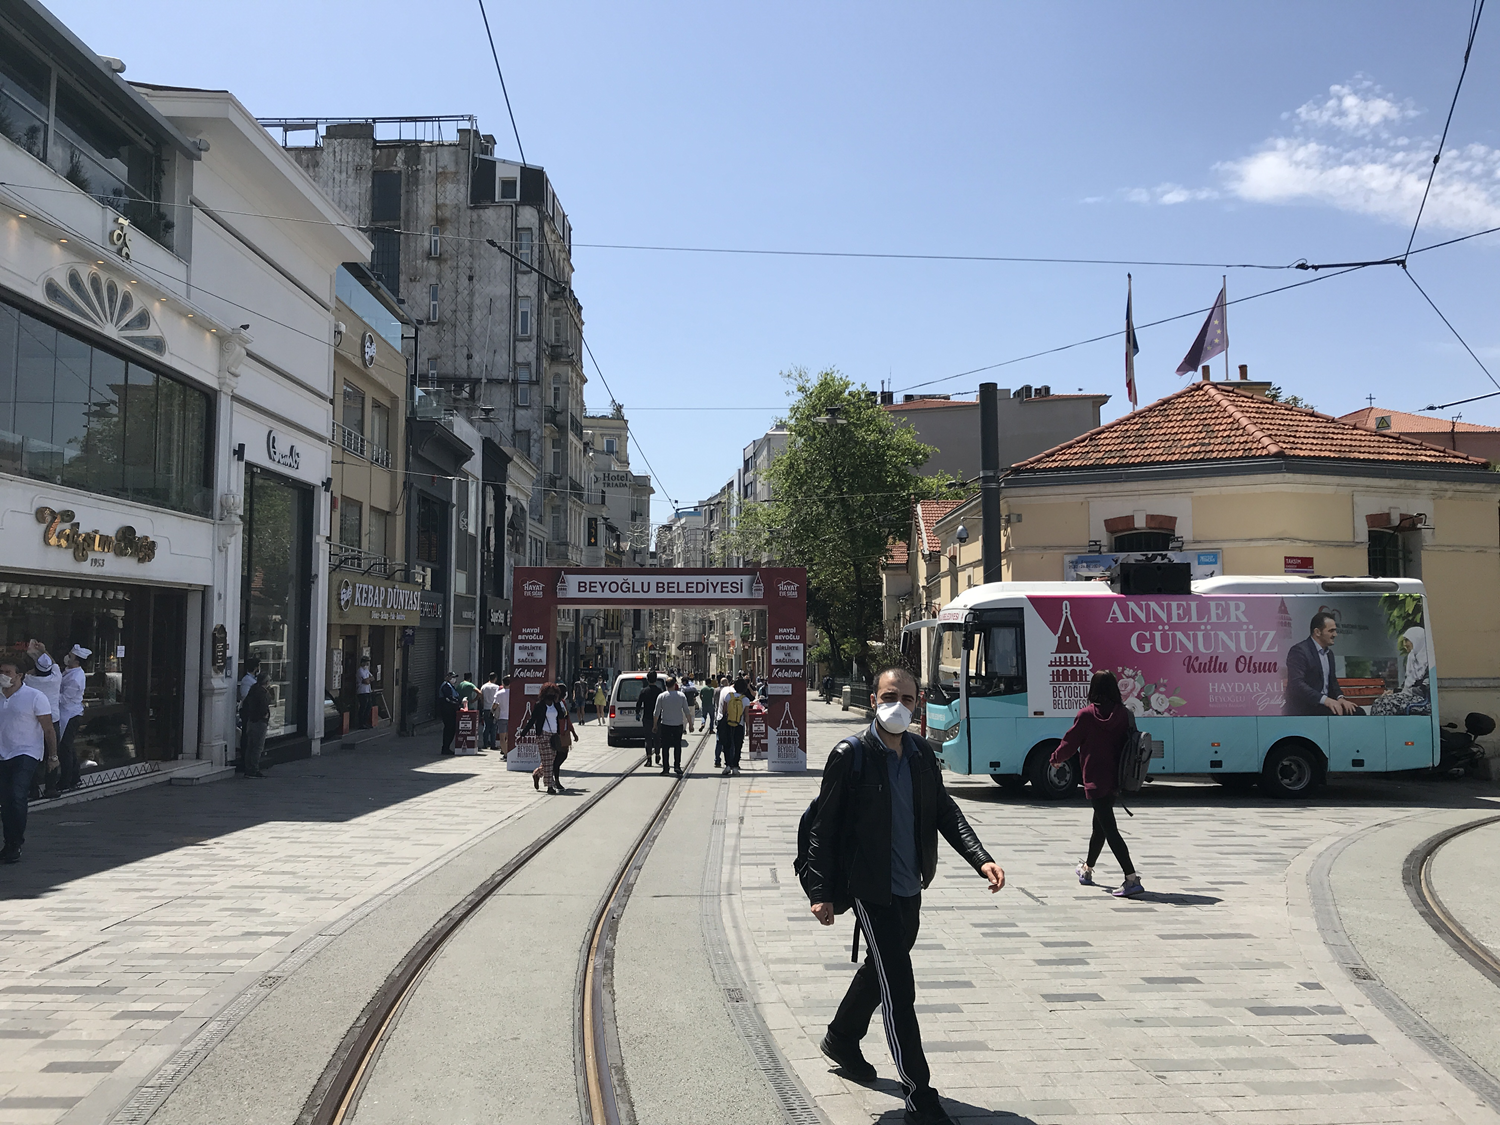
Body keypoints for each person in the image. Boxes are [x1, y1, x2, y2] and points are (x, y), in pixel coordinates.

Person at [805, 667, 1004, 1125]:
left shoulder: (918, 753)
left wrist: (981, 858)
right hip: (869, 889)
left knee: (881, 967)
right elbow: (824, 828)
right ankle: (920, 1096)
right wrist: (821, 892)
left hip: (910, 885)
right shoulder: (850, 754)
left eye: (909, 698)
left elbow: (943, 810)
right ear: (874, 700)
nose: (900, 705)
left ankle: (841, 1036)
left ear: (919, 704)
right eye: (890, 696)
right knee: (899, 988)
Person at [1049, 671, 1143, 897]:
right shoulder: (1123, 714)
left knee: (1109, 829)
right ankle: (1087, 869)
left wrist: (1055, 760)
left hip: (1094, 778)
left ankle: (1131, 879)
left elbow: (1069, 743)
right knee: (1099, 827)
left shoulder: (1086, 715)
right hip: (1116, 779)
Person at [0, 657, 58, 862]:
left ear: (19, 675)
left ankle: (16, 843)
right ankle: (9, 842)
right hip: (3, 753)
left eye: (8, 672)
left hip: (27, 752)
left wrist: (53, 756)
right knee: (6, 801)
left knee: (17, 794)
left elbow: (48, 729)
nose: (3, 676)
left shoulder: (34, 697)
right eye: (1, 671)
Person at [1284, 611, 1360, 716]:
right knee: (1334, 714)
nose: (1335, 634)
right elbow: (1297, 684)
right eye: (1331, 631)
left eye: (1335, 630)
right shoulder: (1299, 651)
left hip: (1325, 705)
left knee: (1357, 712)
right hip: (1305, 707)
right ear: (1317, 632)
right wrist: (1325, 700)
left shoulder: (1329, 654)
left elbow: (1333, 682)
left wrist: (1340, 699)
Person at [48, 644, 89, 798]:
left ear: (77, 661)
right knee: (68, 748)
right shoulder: (69, 672)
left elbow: (65, 699)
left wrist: (50, 693)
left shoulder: (76, 678)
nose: (67, 657)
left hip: (71, 714)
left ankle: (66, 780)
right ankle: (73, 778)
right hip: (66, 713)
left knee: (65, 748)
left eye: (71, 656)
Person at [523, 683, 575, 794]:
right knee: (548, 761)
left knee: (550, 761)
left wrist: (558, 703)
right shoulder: (540, 705)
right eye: (549, 693)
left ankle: (537, 774)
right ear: (544, 693)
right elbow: (532, 720)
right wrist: (523, 734)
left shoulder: (556, 705)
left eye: (554, 693)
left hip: (554, 735)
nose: (551, 695)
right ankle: (549, 786)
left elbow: (562, 716)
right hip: (543, 735)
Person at [1371, 627, 1431, 716]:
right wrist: (1394, 692)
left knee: (1386, 703)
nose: (1405, 644)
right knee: (1379, 701)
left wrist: (1400, 693)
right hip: (1409, 697)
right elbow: (1408, 685)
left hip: (1422, 701)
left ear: (1417, 640)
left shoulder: (1428, 663)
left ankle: (1386, 729)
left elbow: (1423, 689)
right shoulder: (1413, 660)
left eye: (1407, 640)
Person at [653, 676, 690, 777]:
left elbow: (656, 713)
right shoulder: (681, 696)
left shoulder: (661, 696)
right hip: (678, 725)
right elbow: (687, 711)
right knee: (677, 746)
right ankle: (677, 766)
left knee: (665, 747)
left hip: (665, 724)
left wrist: (655, 725)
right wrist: (690, 724)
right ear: (675, 685)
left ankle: (666, 768)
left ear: (666, 685)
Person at [718, 676, 752, 777]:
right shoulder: (745, 700)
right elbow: (746, 716)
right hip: (739, 725)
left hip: (728, 724)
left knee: (727, 744)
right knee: (738, 746)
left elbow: (724, 711)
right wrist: (747, 728)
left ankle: (728, 765)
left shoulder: (728, 696)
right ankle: (736, 767)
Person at [240, 669, 271, 779]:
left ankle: (249, 768)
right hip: (259, 722)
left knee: (250, 746)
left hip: (251, 721)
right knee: (257, 747)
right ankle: (253, 769)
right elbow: (263, 706)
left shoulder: (253, 689)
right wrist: (264, 715)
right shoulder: (262, 692)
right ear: (266, 682)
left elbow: (247, 703)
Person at [637, 672, 663, 766]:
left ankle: (648, 759)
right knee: (657, 738)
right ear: (655, 680)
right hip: (657, 717)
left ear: (647, 680)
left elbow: (639, 703)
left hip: (647, 718)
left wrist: (637, 713)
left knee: (648, 739)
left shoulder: (644, 691)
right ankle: (657, 754)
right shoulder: (659, 691)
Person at [438, 672, 460, 755]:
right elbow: (449, 698)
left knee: (451, 729)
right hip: (447, 711)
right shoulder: (445, 686)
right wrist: (457, 703)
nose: (454, 679)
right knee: (449, 729)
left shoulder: (450, 686)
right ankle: (445, 748)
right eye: (452, 677)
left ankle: (447, 747)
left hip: (451, 711)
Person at [480, 672, 501, 750]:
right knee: (494, 727)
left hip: (486, 708)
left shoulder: (483, 686)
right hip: (494, 709)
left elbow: (481, 697)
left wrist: (483, 705)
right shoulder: (497, 687)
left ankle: (485, 744)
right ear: (495, 678)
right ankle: (493, 744)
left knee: (486, 726)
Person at [496, 675, 512, 756]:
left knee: (502, 737)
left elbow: (494, 705)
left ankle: (505, 753)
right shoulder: (514, 693)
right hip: (511, 717)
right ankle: (509, 751)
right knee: (509, 737)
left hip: (502, 717)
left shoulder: (499, 693)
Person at [355, 656, 373, 729]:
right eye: (366, 662)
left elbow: (372, 678)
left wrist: (368, 680)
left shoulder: (366, 670)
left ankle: (365, 722)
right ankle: (361, 723)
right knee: (363, 707)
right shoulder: (360, 670)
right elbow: (365, 681)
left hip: (368, 690)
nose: (367, 664)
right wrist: (367, 680)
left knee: (368, 706)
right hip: (362, 691)